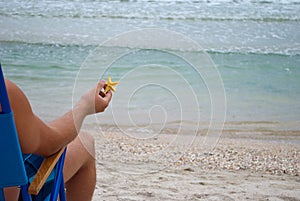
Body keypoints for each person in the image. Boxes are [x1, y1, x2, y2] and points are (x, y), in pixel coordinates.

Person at [3, 78, 112, 201]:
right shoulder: (5, 93)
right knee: (85, 142)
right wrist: (85, 106)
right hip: (20, 194)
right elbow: (51, 143)